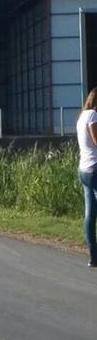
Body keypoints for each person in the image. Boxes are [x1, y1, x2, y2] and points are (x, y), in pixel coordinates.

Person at [76, 87, 97, 268]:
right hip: (95, 168)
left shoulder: (82, 116)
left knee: (90, 214)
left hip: (84, 169)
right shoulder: (93, 116)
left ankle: (93, 256)